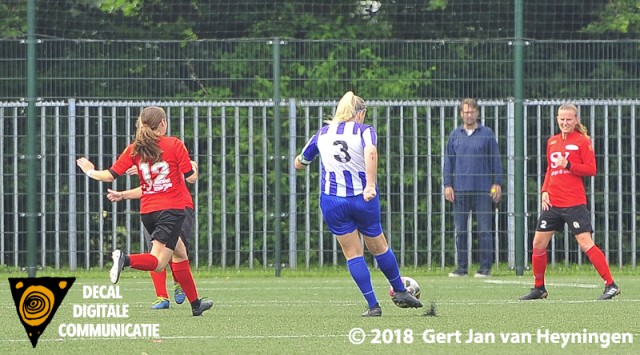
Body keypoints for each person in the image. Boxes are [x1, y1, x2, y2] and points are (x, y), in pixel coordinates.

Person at [294, 91, 423, 317]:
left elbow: (300, 162)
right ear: (360, 114)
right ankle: (400, 291)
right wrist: (370, 185)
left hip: (333, 202)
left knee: (353, 253)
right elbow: (371, 151)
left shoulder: (322, 134)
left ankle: (373, 305)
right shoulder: (365, 131)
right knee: (379, 246)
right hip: (362, 198)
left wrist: (303, 161)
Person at [76, 106, 213, 316]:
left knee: (180, 252)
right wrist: (194, 166)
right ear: (163, 124)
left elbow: (110, 175)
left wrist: (89, 170)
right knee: (158, 263)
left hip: (148, 212)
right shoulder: (174, 144)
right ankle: (124, 259)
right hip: (172, 211)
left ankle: (196, 305)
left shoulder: (135, 149)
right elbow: (190, 177)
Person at [520, 103, 620, 301]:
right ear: (557, 119)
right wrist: (544, 190)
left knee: (585, 243)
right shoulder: (552, 142)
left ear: (576, 120)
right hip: (553, 202)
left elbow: (591, 169)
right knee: (538, 243)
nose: (565, 123)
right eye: (562, 119)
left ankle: (611, 285)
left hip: (573, 202)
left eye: (569, 119)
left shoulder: (583, 142)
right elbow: (550, 169)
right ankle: (539, 288)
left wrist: (570, 165)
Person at [106, 162, 196, 310]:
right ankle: (162, 296)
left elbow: (192, 176)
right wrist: (123, 194)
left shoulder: (174, 155)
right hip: (154, 209)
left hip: (179, 207)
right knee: (156, 252)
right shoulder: (145, 161)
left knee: (177, 249)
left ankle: (180, 283)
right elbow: (147, 189)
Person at [443, 98, 503, 278]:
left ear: (477, 113)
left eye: (472, 111)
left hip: (483, 189)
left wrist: (497, 183)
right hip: (460, 190)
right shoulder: (455, 135)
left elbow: (496, 160)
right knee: (460, 231)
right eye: (465, 112)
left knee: (485, 230)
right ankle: (461, 269)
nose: (469, 115)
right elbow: (449, 162)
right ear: (461, 114)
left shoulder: (487, 134)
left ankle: (485, 269)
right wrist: (447, 185)